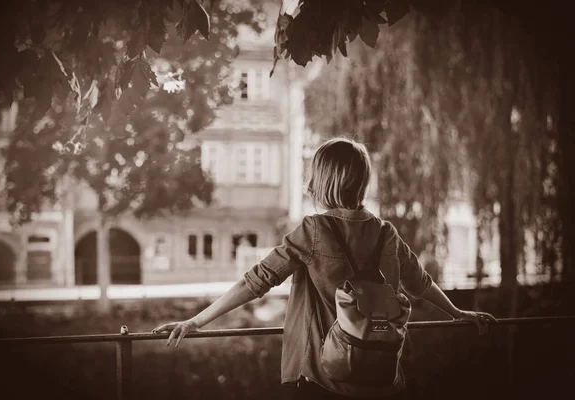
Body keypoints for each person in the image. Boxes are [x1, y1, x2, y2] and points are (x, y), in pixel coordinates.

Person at [153, 138, 497, 399]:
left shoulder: (313, 230)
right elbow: (420, 283)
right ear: (361, 181)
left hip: (321, 377)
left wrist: (196, 321)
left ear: (323, 179)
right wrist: (455, 312)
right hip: (378, 376)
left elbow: (255, 282)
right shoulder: (386, 233)